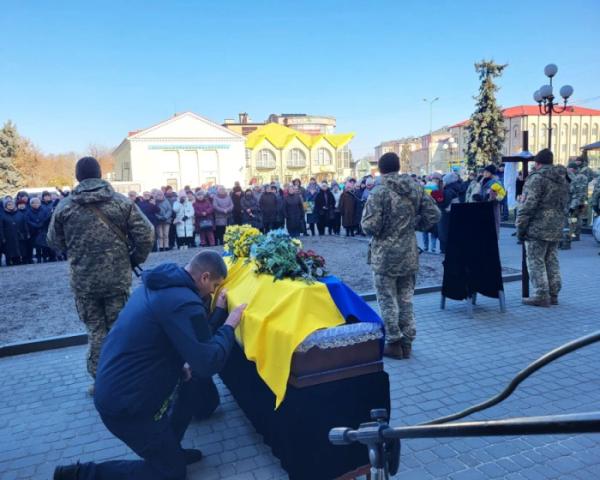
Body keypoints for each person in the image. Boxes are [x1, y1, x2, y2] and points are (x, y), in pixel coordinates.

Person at [53, 251, 247, 480]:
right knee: (170, 473)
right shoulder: (183, 302)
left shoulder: (162, 284)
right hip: (127, 407)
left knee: (193, 381)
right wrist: (230, 323)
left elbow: (192, 340)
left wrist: (219, 314)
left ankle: (170, 450)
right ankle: (79, 474)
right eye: (214, 285)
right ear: (204, 277)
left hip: (124, 387)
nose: (214, 292)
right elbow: (207, 362)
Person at [47, 157, 155, 391]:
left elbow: (54, 241)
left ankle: (102, 383)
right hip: (117, 279)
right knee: (121, 329)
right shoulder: (120, 203)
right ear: (100, 174)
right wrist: (134, 259)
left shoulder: (65, 207)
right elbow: (147, 233)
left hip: (84, 282)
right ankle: (126, 377)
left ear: (77, 177)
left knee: (96, 331)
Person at [362, 153, 440, 360]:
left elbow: (369, 226)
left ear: (380, 169)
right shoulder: (416, 187)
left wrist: (384, 229)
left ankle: (394, 343)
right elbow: (434, 214)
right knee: (406, 300)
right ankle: (408, 342)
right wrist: (413, 225)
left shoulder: (378, 192)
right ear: (398, 167)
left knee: (387, 300)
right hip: (409, 253)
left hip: (385, 256)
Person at [515, 149, 569, 307]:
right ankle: (554, 294)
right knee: (552, 260)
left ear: (537, 163)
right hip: (556, 225)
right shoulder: (563, 177)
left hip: (537, 227)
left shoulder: (536, 178)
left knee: (535, 261)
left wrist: (520, 228)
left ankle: (541, 295)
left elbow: (527, 206)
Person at [473, 164, 506, 239]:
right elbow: (479, 191)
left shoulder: (496, 182)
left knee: (493, 227)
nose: (484, 173)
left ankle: (493, 245)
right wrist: (477, 196)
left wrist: (494, 198)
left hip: (492, 208)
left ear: (491, 173)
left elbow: (502, 195)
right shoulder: (483, 181)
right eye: (484, 172)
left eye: (487, 172)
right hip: (482, 207)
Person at [437, 172, 463, 254]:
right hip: (453, 215)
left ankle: (444, 251)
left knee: (444, 233)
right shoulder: (456, 188)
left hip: (446, 215)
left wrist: (436, 199)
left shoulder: (448, 190)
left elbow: (443, 203)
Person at [0, 198, 28, 266]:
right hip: (8, 235)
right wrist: (2, 237)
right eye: (9, 205)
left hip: (19, 234)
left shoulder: (19, 214)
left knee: (19, 248)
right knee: (9, 249)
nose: (11, 206)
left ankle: (18, 259)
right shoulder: (2, 215)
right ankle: (9, 261)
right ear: (5, 206)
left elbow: (24, 224)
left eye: (12, 204)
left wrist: (26, 233)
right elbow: (1, 227)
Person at [25, 197, 52, 263]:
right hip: (34, 231)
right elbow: (28, 221)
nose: (36, 204)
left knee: (44, 245)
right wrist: (35, 225)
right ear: (31, 204)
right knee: (37, 246)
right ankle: (39, 258)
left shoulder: (44, 210)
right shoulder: (28, 212)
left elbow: (47, 218)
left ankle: (45, 257)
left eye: (37, 202)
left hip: (43, 230)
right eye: (34, 203)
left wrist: (42, 224)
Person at [567, 162, 588, 242]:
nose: (568, 170)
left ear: (572, 169)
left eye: (568, 168)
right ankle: (577, 234)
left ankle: (572, 234)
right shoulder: (584, 177)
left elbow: (573, 191)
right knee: (578, 218)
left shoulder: (575, 178)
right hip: (582, 201)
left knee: (572, 218)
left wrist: (572, 205)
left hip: (575, 202)